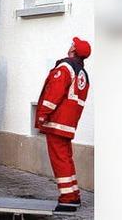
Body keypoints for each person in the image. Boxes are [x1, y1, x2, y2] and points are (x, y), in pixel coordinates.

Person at [35, 37, 91, 213]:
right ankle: (74, 194)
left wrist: (42, 114)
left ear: (74, 50)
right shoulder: (81, 72)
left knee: (60, 160)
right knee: (66, 159)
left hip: (57, 122)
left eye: (73, 44)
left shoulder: (66, 68)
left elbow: (54, 93)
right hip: (68, 123)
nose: (70, 45)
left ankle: (68, 199)